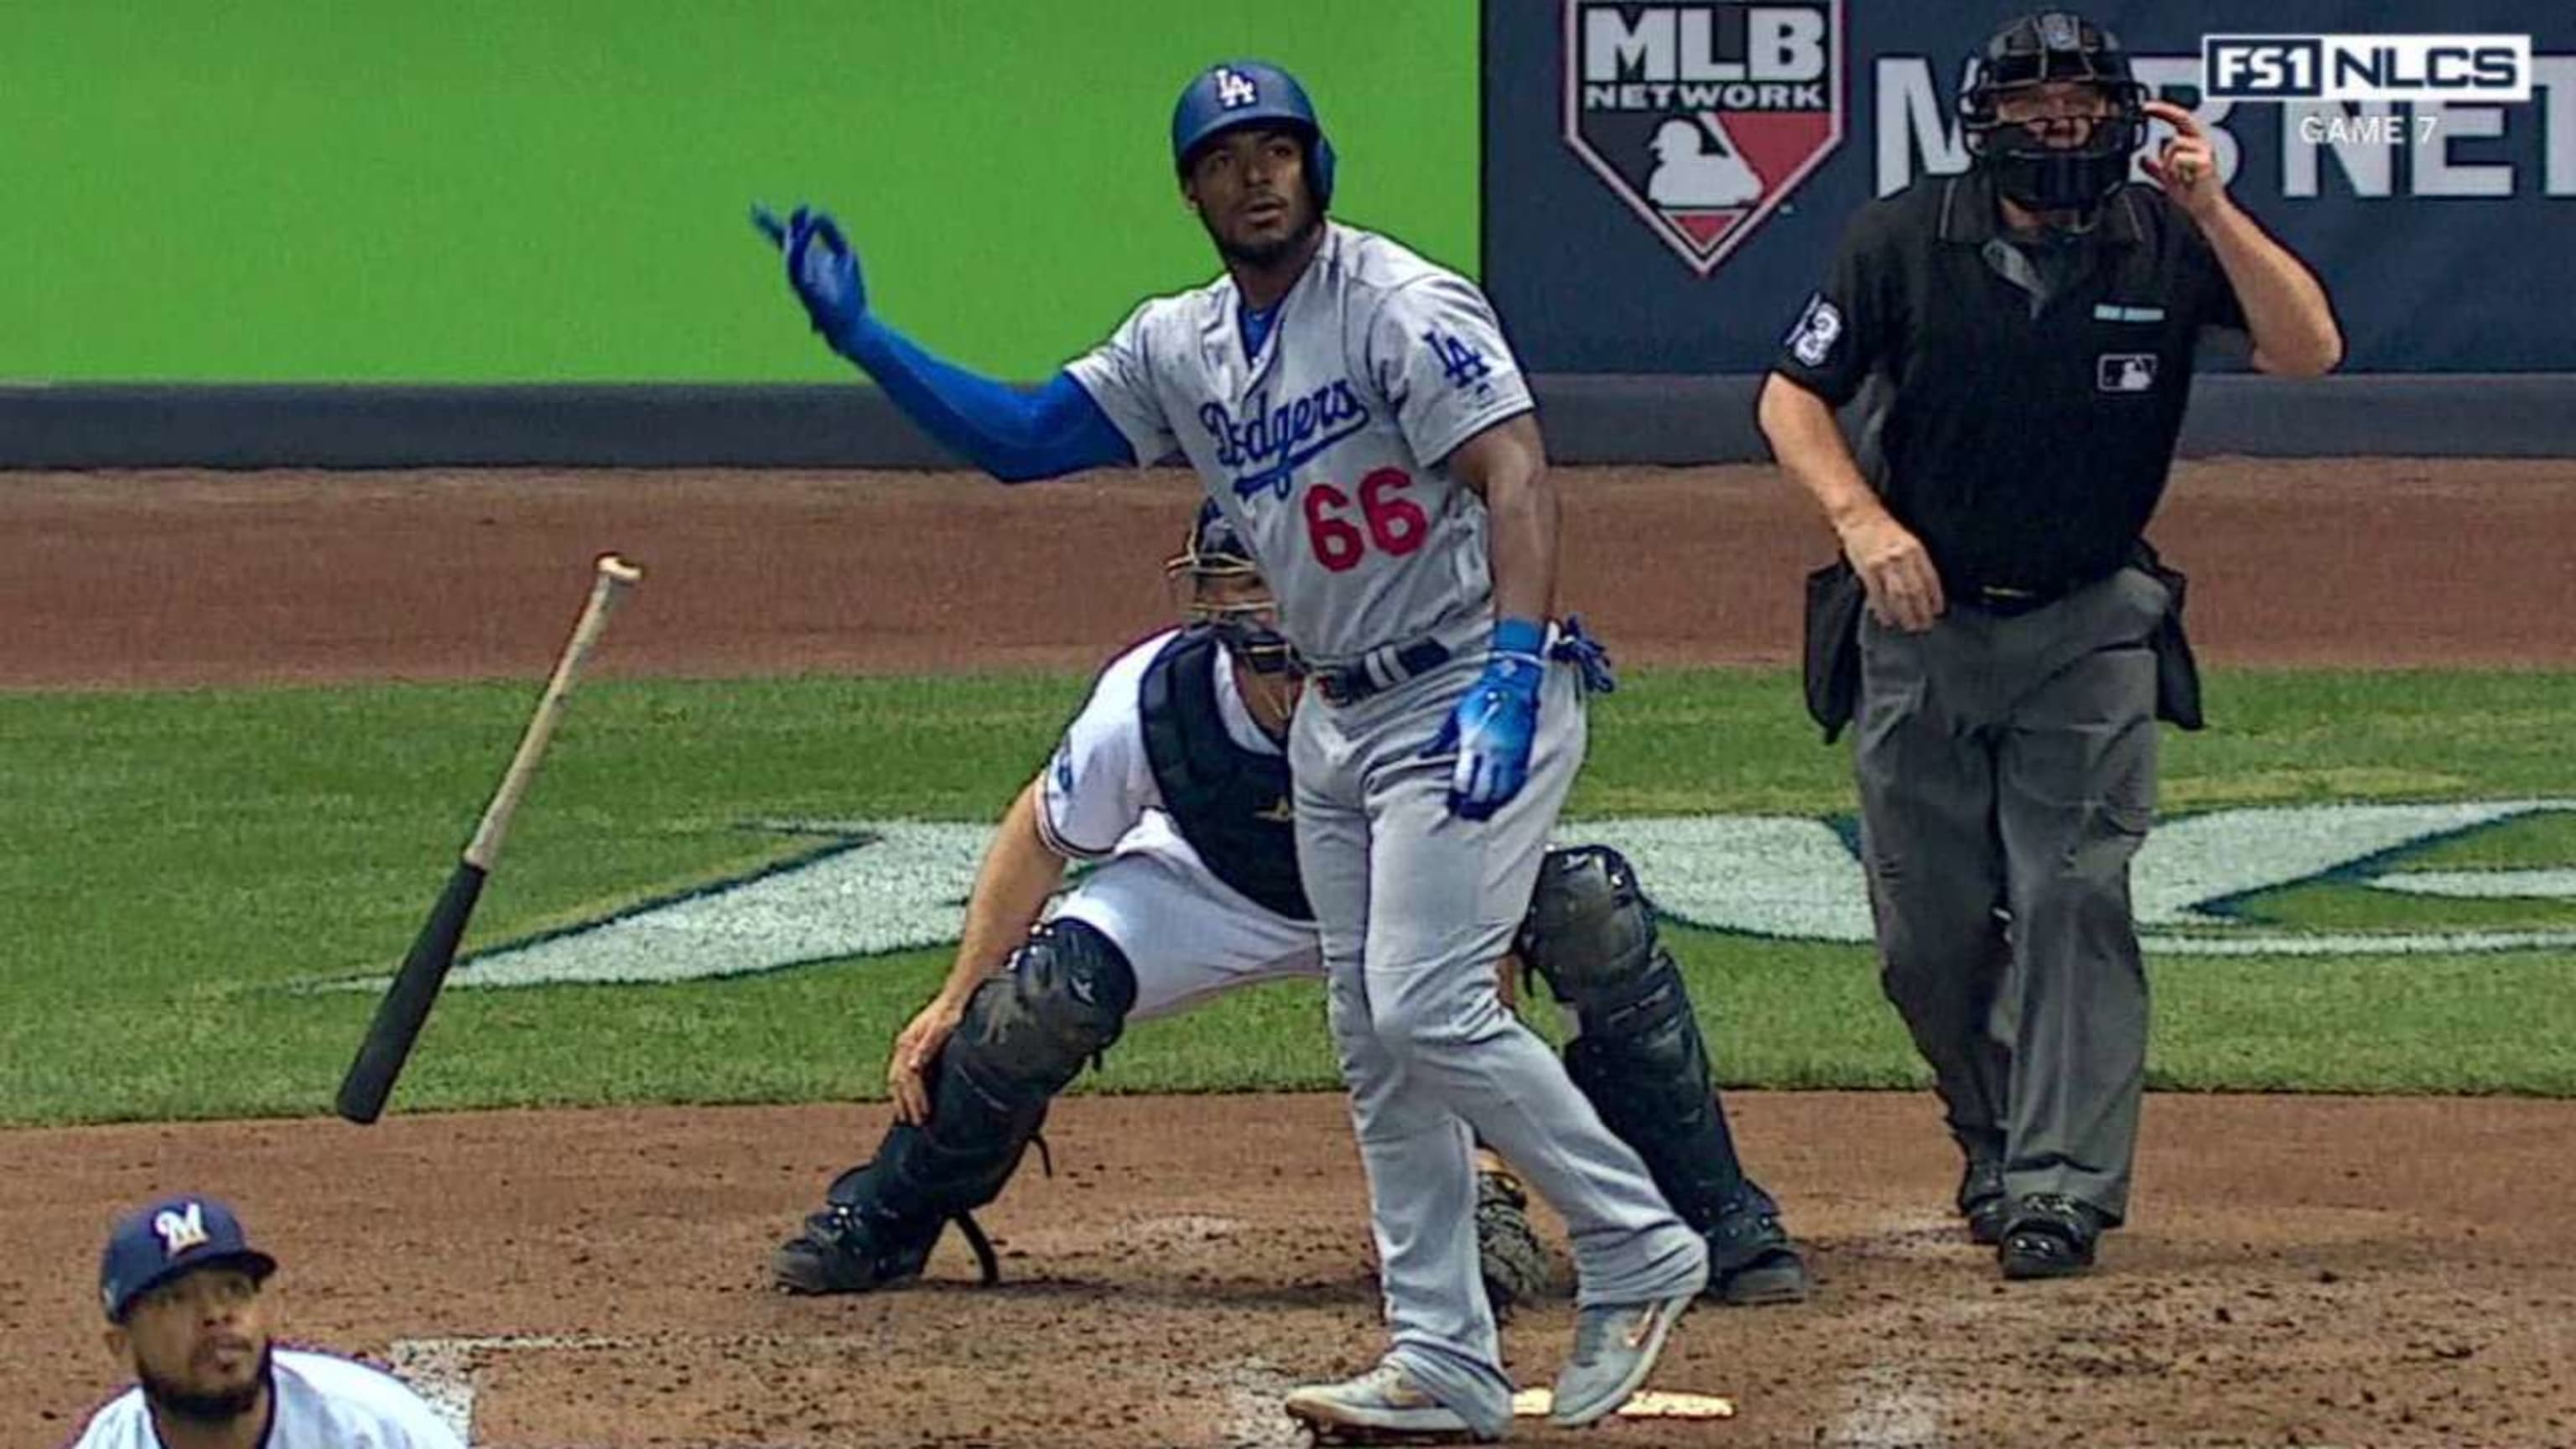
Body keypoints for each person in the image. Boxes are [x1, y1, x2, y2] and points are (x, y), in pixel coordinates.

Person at [758, 58, 1711, 1441]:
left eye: (1275, 150)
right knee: (1375, 1045)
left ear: (1316, 166)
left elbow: (1513, 468)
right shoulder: (1181, 345)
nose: (1254, 177)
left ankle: (1636, 1238)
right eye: (1223, 159)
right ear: (1191, 192)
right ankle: (1440, 1354)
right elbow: (1025, 439)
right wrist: (867, 339)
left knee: (1427, 1006)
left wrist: (1516, 662)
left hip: (1456, 682)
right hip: (1334, 718)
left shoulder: (1399, 302)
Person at [767, 506, 1809, 1325]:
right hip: (1214, 888)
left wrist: (1482, 1164)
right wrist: (954, 997)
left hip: (1409, 897)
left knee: (1588, 910)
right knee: (1032, 1005)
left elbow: (1471, 919)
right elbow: (1043, 831)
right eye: (1253, 587)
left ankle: (1718, 1212)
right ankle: (887, 1214)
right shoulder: (1157, 697)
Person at [1758, 12, 2340, 1280]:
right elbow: (1791, 394)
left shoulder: (2164, 237)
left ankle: (2059, 1189)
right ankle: (1993, 1131)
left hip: (2090, 620)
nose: (2061, 126)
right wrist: (1862, 523)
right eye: (2035, 106)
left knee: (2076, 893)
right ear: (1989, 122)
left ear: (2122, 117)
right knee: (1927, 936)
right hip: (1922, 621)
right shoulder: (1902, 238)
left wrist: (2213, 210)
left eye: (2082, 104)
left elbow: (2308, 349)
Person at [70, 1195, 465, 1449]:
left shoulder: (375, 1429)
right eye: (176, 1299)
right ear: (123, 1347)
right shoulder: (110, 1442)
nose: (215, 1313)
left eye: (233, 1289)